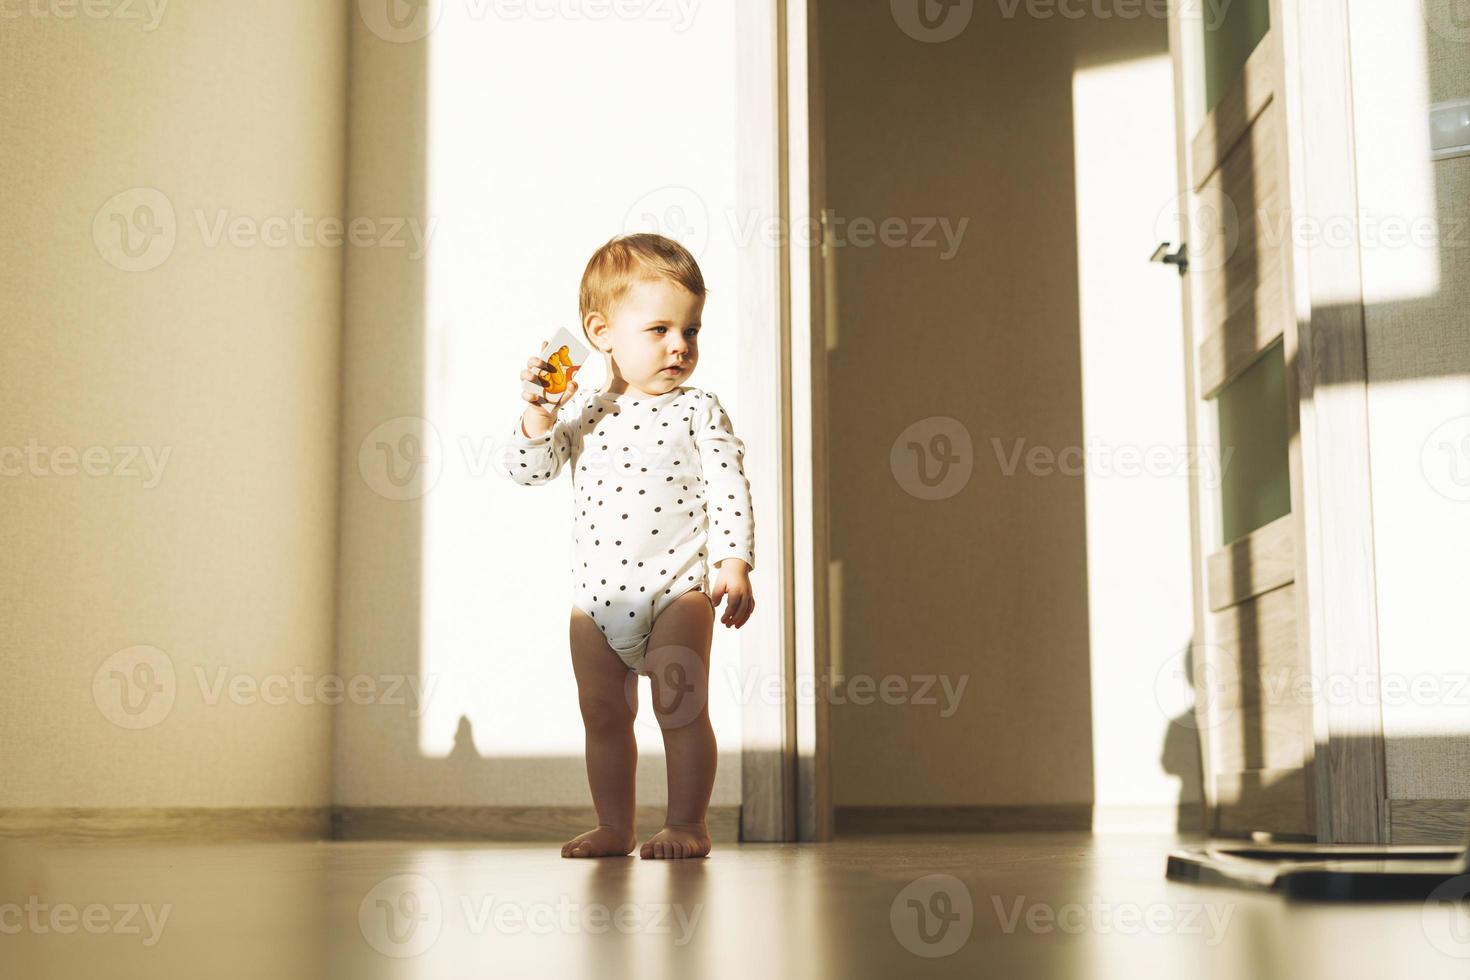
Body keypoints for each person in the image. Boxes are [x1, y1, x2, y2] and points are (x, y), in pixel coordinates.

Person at [497, 233, 756, 859]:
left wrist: (734, 563)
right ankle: (615, 825)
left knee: (681, 710)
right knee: (604, 717)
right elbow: (529, 471)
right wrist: (537, 417)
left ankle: (688, 823)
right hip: (596, 600)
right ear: (601, 331)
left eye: (691, 331)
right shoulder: (584, 410)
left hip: (679, 591)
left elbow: (730, 487)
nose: (680, 345)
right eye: (661, 329)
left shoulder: (699, 410)